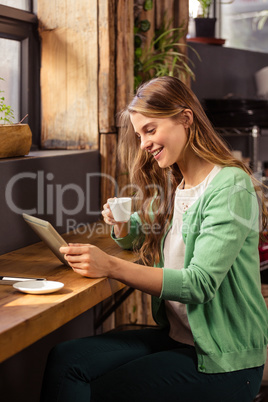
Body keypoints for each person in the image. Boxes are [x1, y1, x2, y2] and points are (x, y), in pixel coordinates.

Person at [40, 76, 268, 402]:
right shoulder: (181, 184)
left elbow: (199, 284)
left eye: (150, 129)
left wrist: (111, 267)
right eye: (139, 134)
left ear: (186, 119)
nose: (144, 143)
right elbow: (143, 229)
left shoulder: (230, 186)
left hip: (225, 355)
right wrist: (121, 225)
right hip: (182, 337)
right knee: (66, 359)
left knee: (107, 392)